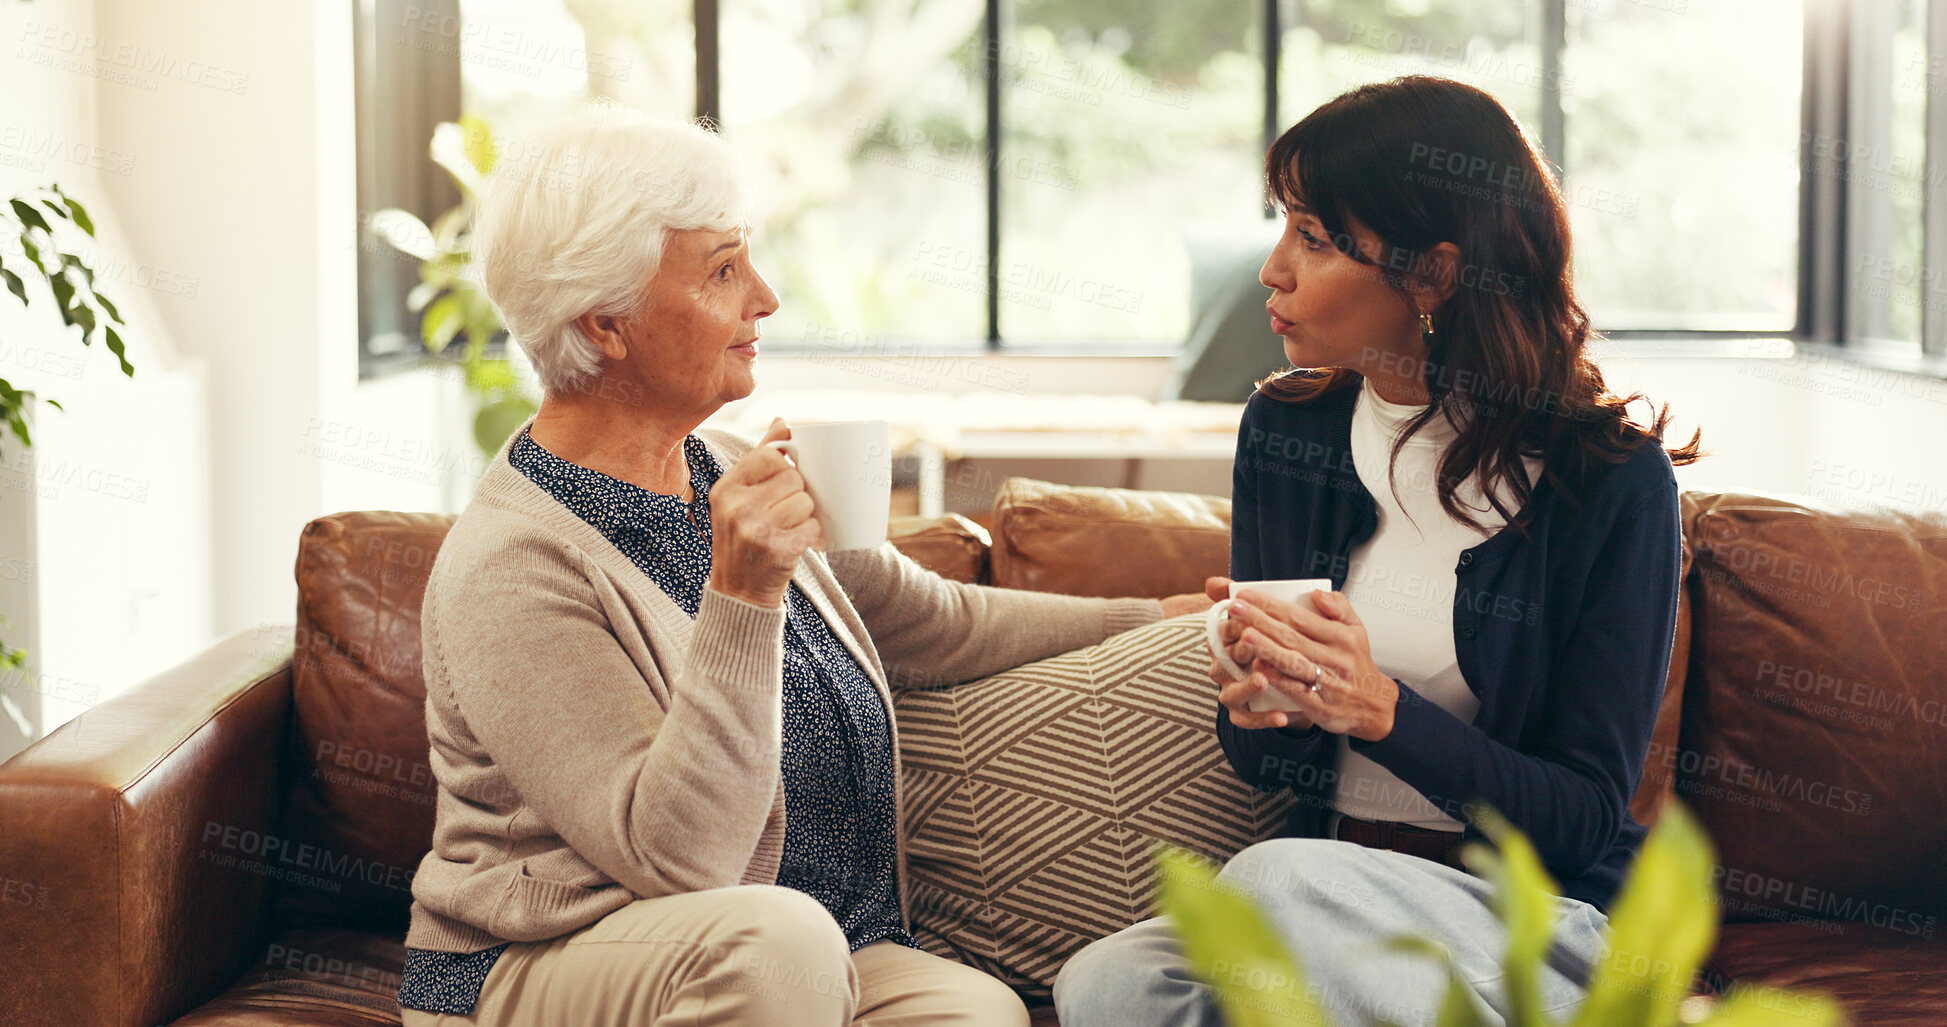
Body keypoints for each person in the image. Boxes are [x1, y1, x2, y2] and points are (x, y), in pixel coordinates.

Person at [397, 106, 1209, 1027]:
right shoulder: (514, 565)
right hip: (550, 963)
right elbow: (678, 863)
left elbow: (939, 622)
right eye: (724, 269)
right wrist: (742, 594)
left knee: (974, 1011)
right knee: (776, 942)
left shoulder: (727, 465)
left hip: (824, 947)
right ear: (607, 323)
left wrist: (1160, 618)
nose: (767, 298)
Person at [1053, 76, 1696, 1026]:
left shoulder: (1608, 480)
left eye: (1313, 239)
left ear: (1434, 274)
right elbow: (1264, 762)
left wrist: (1379, 709)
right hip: (1335, 893)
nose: (1272, 269)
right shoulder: (1287, 431)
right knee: (1110, 982)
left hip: (1533, 917)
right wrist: (1266, 702)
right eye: (1283, 227)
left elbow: (1580, 815)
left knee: (1276, 880)